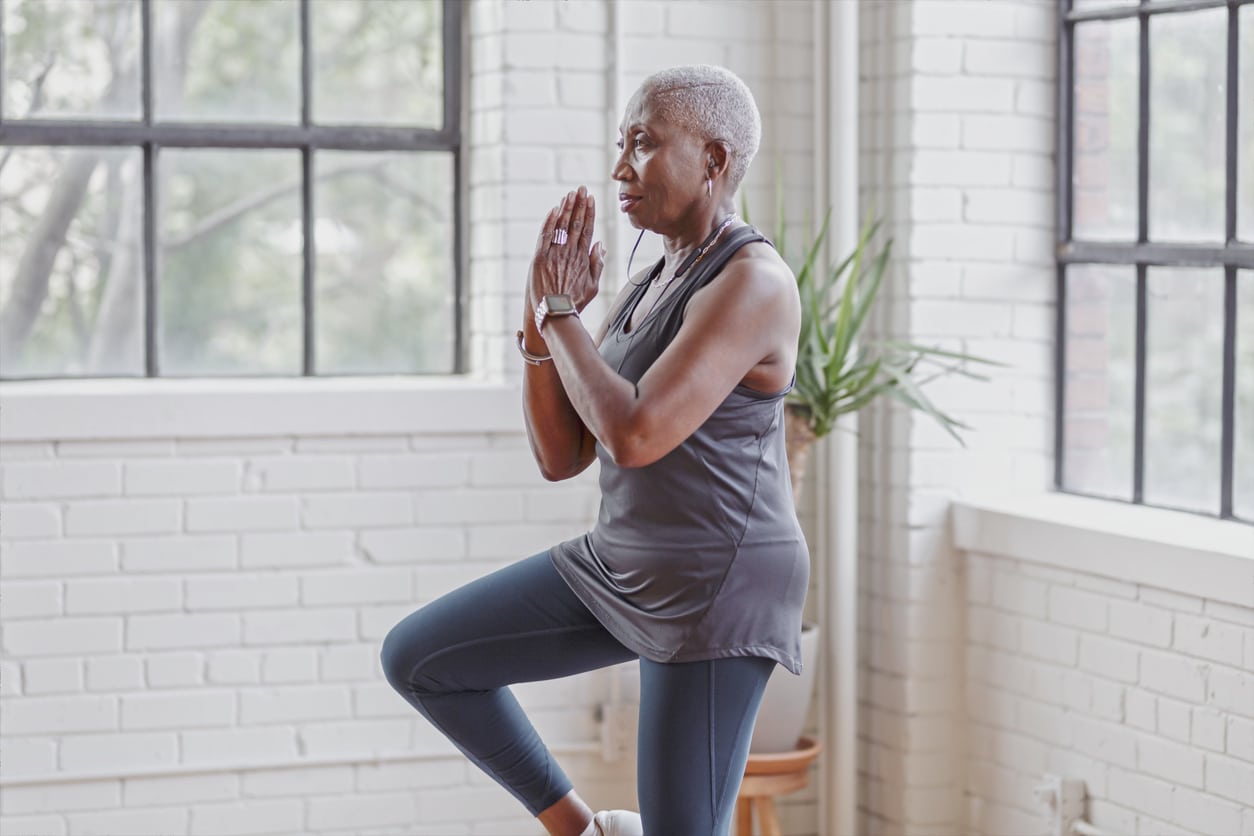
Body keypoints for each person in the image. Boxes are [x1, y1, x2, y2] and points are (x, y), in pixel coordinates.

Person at [381, 64, 809, 836]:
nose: (619, 167)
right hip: (625, 561)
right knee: (422, 658)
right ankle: (584, 830)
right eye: (620, 144)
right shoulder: (648, 281)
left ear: (714, 160)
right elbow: (563, 453)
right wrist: (542, 319)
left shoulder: (754, 282)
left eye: (643, 143)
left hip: (714, 585)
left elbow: (635, 434)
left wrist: (560, 311)